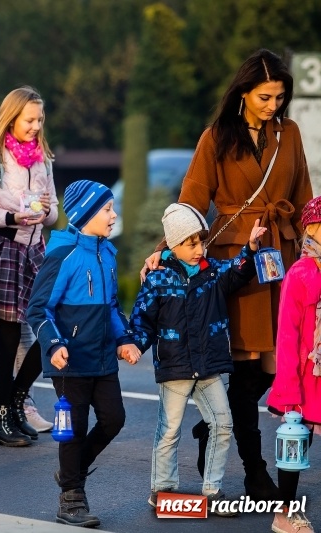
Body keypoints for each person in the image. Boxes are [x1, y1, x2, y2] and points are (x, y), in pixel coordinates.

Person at [141, 48, 312, 501]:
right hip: (235, 261)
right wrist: (164, 251)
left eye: (279, 97)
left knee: (276, 367)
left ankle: (208, 425)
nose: (273, 105)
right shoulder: (216, 137)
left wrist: (310, 254)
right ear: (243, 93)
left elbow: (304, 196)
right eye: (264, 96)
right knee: (240, 363)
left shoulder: (289, 133)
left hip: (282, 258)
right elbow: (192, 201)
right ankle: (254, 471)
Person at [132, 203, 265, 515]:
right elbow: (141, 319)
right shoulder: (158, 278)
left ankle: (213, 491)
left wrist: (251, 248)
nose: (198, 249)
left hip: (208, 369)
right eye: (190, 243)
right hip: (175, 368)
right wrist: (133, 344)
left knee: (223, 423)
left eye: (201, 242)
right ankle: (162, 488)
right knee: (169, 430)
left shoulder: (213, 273)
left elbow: (238, 272)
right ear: (174, 245)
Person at [26, 180, 140, 527]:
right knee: (73, 429)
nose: (113, 215)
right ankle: (71, 499)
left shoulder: (107, 252)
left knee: (113, 419)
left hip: (103, 357)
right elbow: (38, 308)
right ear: (85, 213)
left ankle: (69, 472)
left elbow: (111, 306)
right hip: (70, 359)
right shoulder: (64, 254)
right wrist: (55, 344)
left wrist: (124, 338)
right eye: (106, 209)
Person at [0, 86, 58, 446]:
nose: (36, 125)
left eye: (40, 119)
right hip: (3, 249)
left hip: (34, 252)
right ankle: (1, 419)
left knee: (48, 325)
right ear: (12, 118)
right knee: (8, 338)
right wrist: (10, 216)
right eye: (29, 119)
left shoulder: (42, 159)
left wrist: (46, 208)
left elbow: (52, 216)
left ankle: (17, 401)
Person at [266, 195, 321, 533]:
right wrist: (288, 392)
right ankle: (283, 515)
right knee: (296, 443)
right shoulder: (300, 274)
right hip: (305, 378)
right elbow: (286, 336)